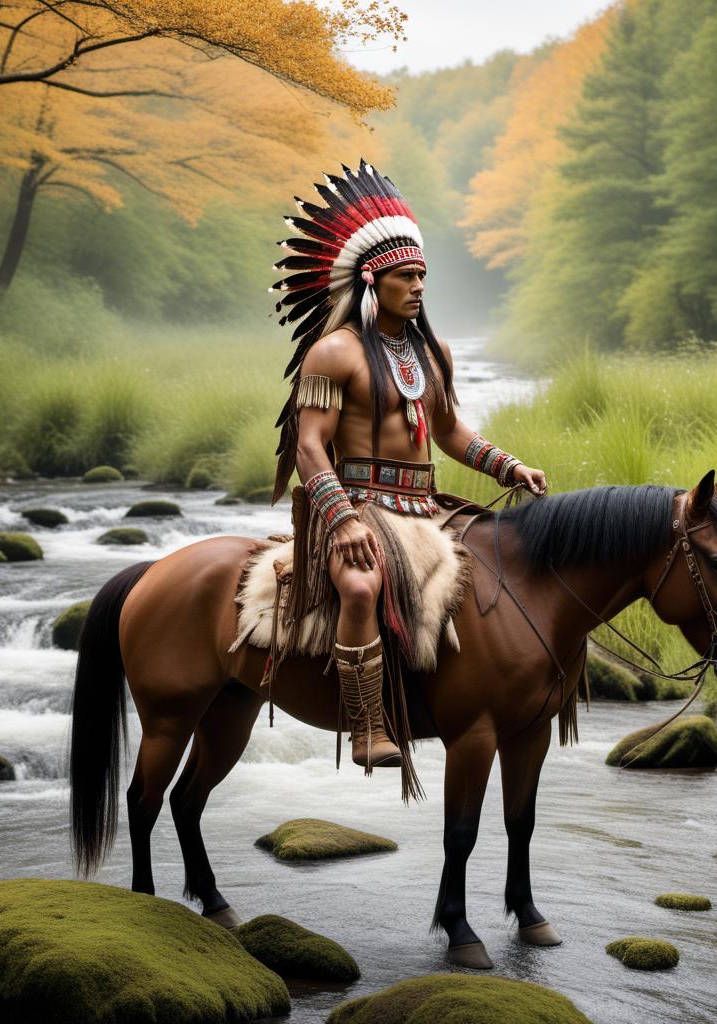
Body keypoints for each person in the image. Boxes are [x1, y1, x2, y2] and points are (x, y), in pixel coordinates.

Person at [270, 160, 546, 776]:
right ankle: (368, 724)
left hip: (426, 506)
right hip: (356, 504)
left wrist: (507, 468)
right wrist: (340, 521)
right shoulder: (333, 352)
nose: (418, 286)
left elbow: (448, 432)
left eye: (422, 275)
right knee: (363, 585)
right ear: (374, 280)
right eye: (405, 276)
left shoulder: (434, 350)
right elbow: (310, 448)